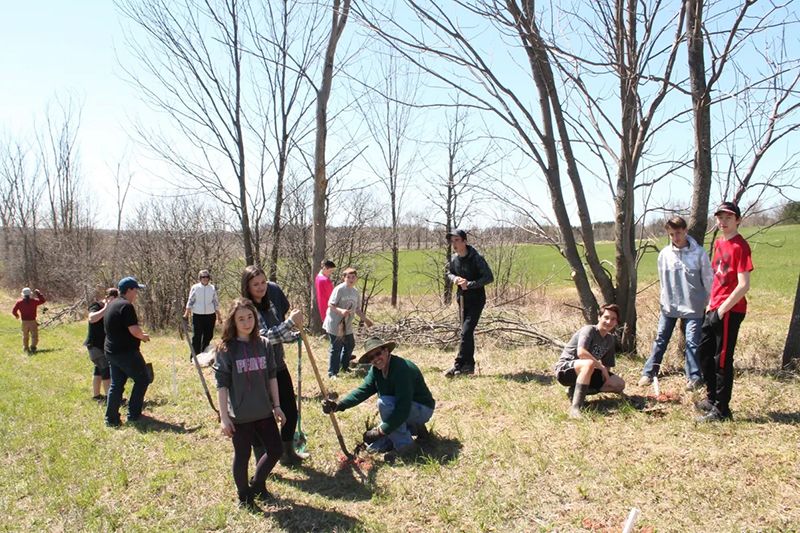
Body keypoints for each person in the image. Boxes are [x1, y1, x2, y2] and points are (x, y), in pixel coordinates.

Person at [214, 298, 285, 507]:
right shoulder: (226, 349)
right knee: (242, 456)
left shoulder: (264, 344)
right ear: (233, 322)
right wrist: (224, 417)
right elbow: (221, 385)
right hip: (240, 416)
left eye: (250, 317)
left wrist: (277, 406)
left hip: (264, 411)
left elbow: (272, 376)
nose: (247, 323)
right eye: (241, 319)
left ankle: (257, 484)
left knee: (275, 450)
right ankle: (244, 496)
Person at [322, 336, 435, 459]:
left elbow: (403, 408)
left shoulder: (402, 369)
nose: (376, 359)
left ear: (386, 351)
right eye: (371, 357)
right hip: (403, 409)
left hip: (421, 408)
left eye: (378, 354)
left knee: (384, 403)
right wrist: (339, 405)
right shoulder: (376, 370)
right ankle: (415, 429)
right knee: (374, 448)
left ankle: (405, 446)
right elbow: (362, 391)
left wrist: (380, 431)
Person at [240, 265, 307, 465]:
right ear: (247, 286)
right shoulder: (247, 310)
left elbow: (279, 333)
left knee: (290, 411)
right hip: (257, 370)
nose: (261, 287)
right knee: (261, 416)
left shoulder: (269, 305)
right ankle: (262, 459)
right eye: (255, 284)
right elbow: (263, 338)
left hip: (277, 365)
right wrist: (289, 323)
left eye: (263, 282)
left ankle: (287, 452)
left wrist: (295, 334)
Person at [639, 216, 713, 391]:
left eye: (678, 233)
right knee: (661, 339)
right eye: (671, 234)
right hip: (669, 305)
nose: (675, 237)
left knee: (692, 342)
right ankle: (649, 372)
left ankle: (694, 377)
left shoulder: (699, 253)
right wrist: (663, 300)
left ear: (685, 231)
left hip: (694, 305)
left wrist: (709, 302)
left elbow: (708, 279)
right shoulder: (664, 255)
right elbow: (663, 281)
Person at [696, 202, 753, 423]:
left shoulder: (741, 246)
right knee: (704, 353)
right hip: (714, 307)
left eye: (728, 217)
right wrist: (711, 304)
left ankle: (722, 410)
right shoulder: (720, 243)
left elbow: (744, 285)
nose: (723, 221)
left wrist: (721, 310)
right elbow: (717, 278)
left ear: (738, 220)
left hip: (730, 310)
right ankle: (711, 398)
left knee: (722, 360)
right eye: (720, 217)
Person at [554, 304, 626, 419]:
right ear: (599, 317)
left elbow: (607, 365)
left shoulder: (609, 339)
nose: (609, 322)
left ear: (616, 322)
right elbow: (581, 353)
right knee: (589, 363)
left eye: (613, 319)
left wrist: (608, 380)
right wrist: (600, 367)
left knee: (619, 384)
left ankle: (575, 392)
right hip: (566, 370)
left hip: (588, 371)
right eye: (606, 317)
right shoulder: (589, 330)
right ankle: (576, 408)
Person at [444, 229, 493, 377]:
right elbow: (449, 272)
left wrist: (470, 284)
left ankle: (458, 364)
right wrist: (455, 279)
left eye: (457, 240)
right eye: (452, 241)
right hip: (462, 300)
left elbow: (489, 277)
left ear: (465, 241)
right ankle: (468, 366)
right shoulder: (454, 259)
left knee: (465, 331)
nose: (454, 244)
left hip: (476, 299)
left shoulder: (476, 258)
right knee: (466, 333)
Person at [104, 277, 152, 427]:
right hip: (126, 352)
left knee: (116, 384)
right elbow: (134, 330)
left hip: (112, 351)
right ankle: (134, 414)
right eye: (135, 290)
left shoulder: (113, 304)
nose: (136, 293)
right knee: (143, 379)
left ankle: (111, 419)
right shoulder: (126, 306)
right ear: (129, 290)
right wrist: (143, 336)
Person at [322, 267, 373, 378]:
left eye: (353, 277)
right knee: (336, 347)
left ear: (356, 278)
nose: (351, 279)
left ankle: (344, 367)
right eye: (348, 277)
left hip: (347, 325)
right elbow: (330, 304)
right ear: (344, 278)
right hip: (335, 323)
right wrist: (341, 311)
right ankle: (332, 373)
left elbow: (357, 309)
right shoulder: (339, 289)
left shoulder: (355, 292)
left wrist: (366, 320)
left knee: (350, 344)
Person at [85, 288, 119, 401]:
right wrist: (106, 308)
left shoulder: (113, 309)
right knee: (106, 370)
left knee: (98, 370)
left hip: (104, 345)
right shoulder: (96, 306)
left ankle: (96, 396)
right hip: (95, 345)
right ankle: (111, 399)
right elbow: (91, 318)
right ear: (108, 298)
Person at [183, 269, 222, 360]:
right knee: (197, 336)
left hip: (210, 315)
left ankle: (204, 356)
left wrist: (219, 316)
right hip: (198, 315)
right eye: (203, 277)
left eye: (207, 277)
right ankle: (194, 357)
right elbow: (190, 301)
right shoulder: (195, 288)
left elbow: (215, 302)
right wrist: (186, 314)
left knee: (208, 336)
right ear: (200, 278)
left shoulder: (212, 288)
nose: (205, 278)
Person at [12, 287, 46, 353]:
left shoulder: (19, 302)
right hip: (32, 321)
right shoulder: (34, 301)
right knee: (34, 335)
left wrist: (17, 316)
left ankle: (25, 348)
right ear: (30, 294)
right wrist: (38, 293)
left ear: (23, 294)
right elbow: (43, 301)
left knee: (25, 336)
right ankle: (33, 346)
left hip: (24, 322)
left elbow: (14, 311)